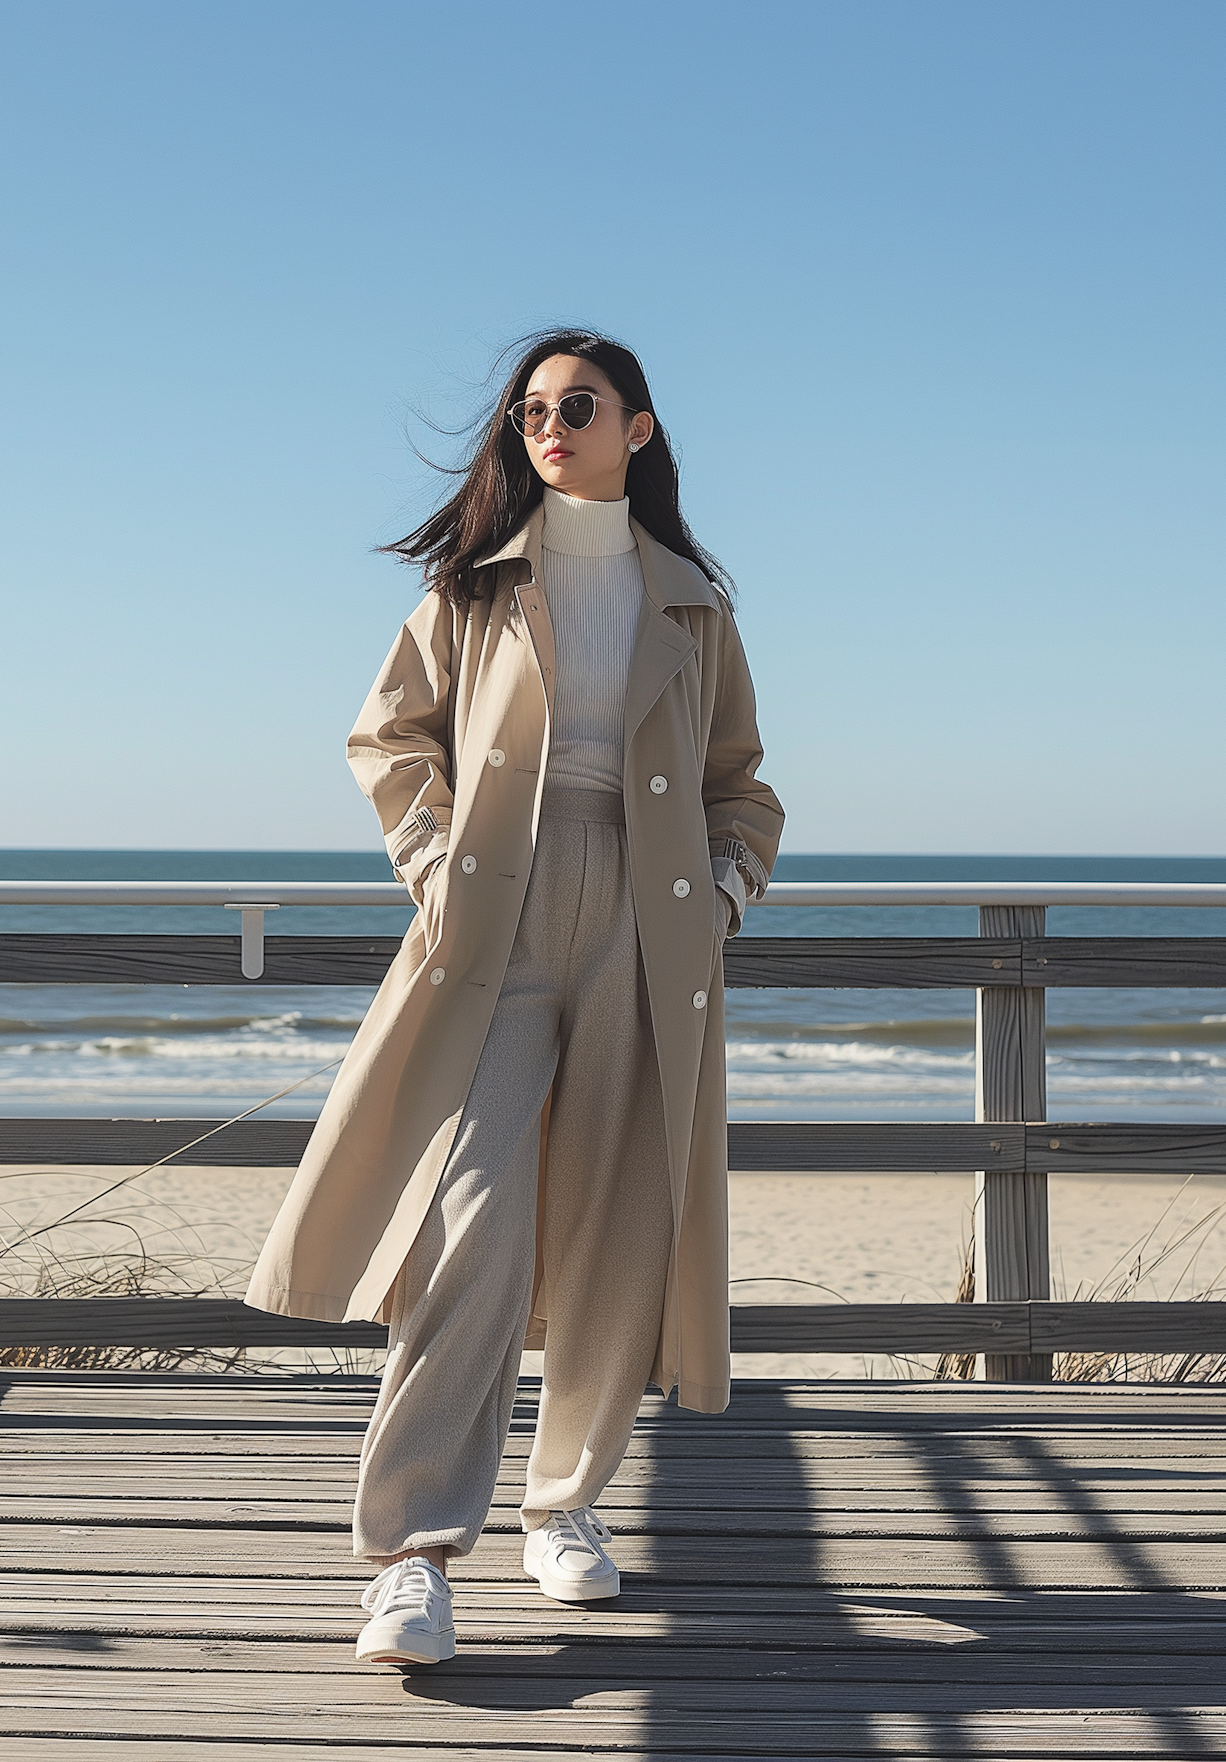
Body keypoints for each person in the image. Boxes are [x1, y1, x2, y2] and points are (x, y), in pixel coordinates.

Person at [246, 329, 784, 1667]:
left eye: (579, 405)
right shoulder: (475, 586)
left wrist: (721, 897)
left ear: (638, 431)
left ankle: (567, 1503)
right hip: (495, 920)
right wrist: (431, 865)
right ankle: (415, 1555)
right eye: (532, 409)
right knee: (470, 1219)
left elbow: (745, 788)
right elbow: (388, 735)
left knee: (614, 1217)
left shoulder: (694, 604)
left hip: (648, 931)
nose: (551, 424)